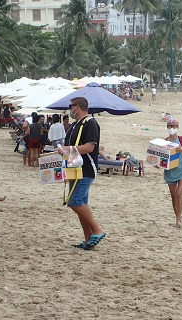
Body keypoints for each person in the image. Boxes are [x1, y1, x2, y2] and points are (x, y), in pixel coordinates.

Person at [58, 97, 105, 250]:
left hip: (86, 169)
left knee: (75, 201)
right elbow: (69, 146)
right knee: (81, 205)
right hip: (74, 167)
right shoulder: (74, 125)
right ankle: (89, 240)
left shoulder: (90, 123)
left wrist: (68, 149)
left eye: (70, 106)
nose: (69, 109)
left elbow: (90, 147)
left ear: (77, 107)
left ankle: (97, 230)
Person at [163, 119, 182, 227]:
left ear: (177, 127)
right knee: (174, 196)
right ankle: (177, 217)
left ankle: (179, 219)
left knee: (179, 193)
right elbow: (162, 159)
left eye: (174, 126)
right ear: (167, 127)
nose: (172, 128)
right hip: (170, 172)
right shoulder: (165, 142)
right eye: (170, 126)